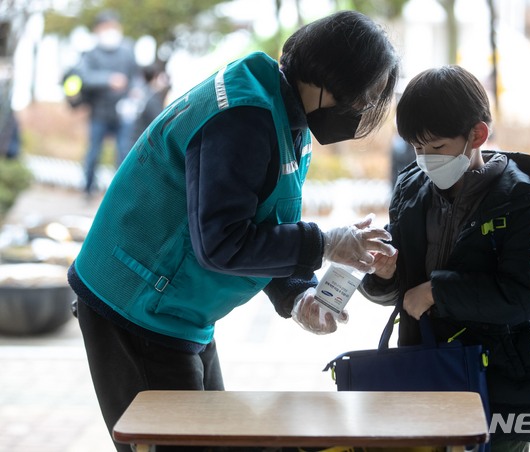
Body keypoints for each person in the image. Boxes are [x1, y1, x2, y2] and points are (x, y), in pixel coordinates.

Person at [67, 10, 399, 452]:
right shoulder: (243, 117)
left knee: (214, 440)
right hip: (135, 307)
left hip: (180, 310)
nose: (361, 113)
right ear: (328, 78)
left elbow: (266, 224)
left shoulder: (286, 116)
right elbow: (222, 241)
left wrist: (297, 294)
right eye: (363, 97)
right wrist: (325, 243)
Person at [358, 65, 530, 452]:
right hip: (425, 371)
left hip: (500, 383)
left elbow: (522, 295)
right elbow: (399, 291)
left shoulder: (518, 201)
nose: (426, 160)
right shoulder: (412, 190)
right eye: (417, 149)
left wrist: (437, 291)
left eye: (437, 148)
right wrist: (383, 275)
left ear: (477, 135)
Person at [75, 10, 140, 198]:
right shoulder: (91, 54)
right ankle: (87, 189)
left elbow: (135, 75)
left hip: (123, 111)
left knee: (124, 152)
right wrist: (108, 79)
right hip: (99, 112)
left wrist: (135, 89)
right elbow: (84, 77)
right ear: (97, 30)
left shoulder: (127, 49)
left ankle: (119, 193)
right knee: (93, 152)